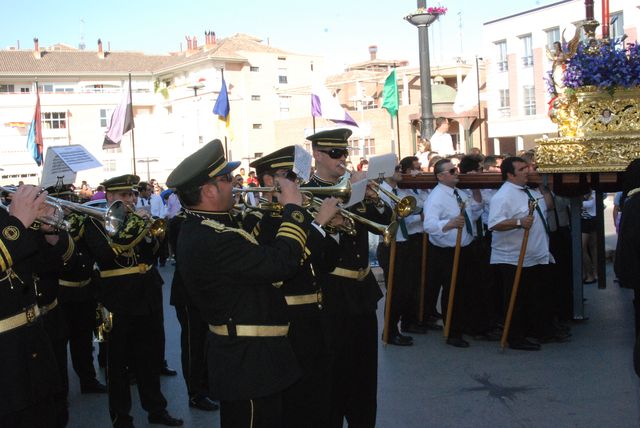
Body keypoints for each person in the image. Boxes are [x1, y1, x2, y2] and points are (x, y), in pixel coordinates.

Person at [167, 139, 311, 428]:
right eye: (226, 179)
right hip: (248, 362)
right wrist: (294, 209)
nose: (234, 184)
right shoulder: (214, 237)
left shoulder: (212, 226)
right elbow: (281, 263)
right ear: (208, 191)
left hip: (254, 357)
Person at [306, 128, 393, 428]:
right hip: (331, 294)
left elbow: (383, 223)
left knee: (364, 376)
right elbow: (313, 251)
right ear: (317, 154)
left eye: (345, 152)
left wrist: (372, 197)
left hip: (362, 292)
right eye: (335, 153)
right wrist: (330, 223)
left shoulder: (352, 187)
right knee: (333, 375)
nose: (343, 159)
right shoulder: (306, 194)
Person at [248, 146, 340, 427]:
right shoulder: (258, 219)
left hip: (317, 315)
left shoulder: (301, 214)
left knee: (321, 395)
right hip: (288, 321)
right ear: (268, 182)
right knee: (296, 402)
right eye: (288, 176)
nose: (297, 182)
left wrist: (331, 230)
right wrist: (318, 224)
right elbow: (283, 268)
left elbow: (327, 264)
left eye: (297, 176)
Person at [83, 174, 183, 427]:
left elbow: (152, 255)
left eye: (132, 194)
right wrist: (134, 227)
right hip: (116, 297)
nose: (130, 199)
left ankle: (156, 409)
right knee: (117, 363)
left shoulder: (139, 219)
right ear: (110, 197)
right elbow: (105, 255)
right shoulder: (95, 222)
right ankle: (121, 417)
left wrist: (152, 236)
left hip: (146, 292)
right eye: (124, 195)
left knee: (149, 357)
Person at [0, 185, 69, 427]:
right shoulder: (11, 221)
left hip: (32, 342)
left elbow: (41, 266)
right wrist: (18, 223)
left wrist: (48, 231)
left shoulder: (4, 216)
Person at [488, 157, 565, 351]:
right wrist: (518, 222)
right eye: (522, 169)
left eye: (527, 167)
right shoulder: (503, 196)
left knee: (535, 296)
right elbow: (494, 224)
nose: (527, 171)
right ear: (510, 174)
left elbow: (548, 206)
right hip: (513, 257)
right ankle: (515, 337)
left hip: (535, 254)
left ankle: (540, 330)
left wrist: (542, 184)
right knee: (516, 299)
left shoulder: (528, 191)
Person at [50, 185, 106, 395]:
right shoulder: (51, 227)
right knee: (59, 343)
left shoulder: (83, 223)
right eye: (63, 199)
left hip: (85, 291)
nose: (68, 203)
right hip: (62, 293)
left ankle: (88, 380)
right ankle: (59, 389)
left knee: (83, 340)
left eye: (69, 198)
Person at [423, 158, 483, 348]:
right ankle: (452, 332)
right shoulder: (436, 197)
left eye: (456, 170)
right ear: (440, 176)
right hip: (447, 252)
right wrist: (448, 224)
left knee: (466, 290)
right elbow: (429, 225)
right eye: (451, 171)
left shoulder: (459, 192)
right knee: (453, 292)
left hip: (465, 247)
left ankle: (465, 325)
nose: (456, 173)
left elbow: (474, 213)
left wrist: (476, 191)